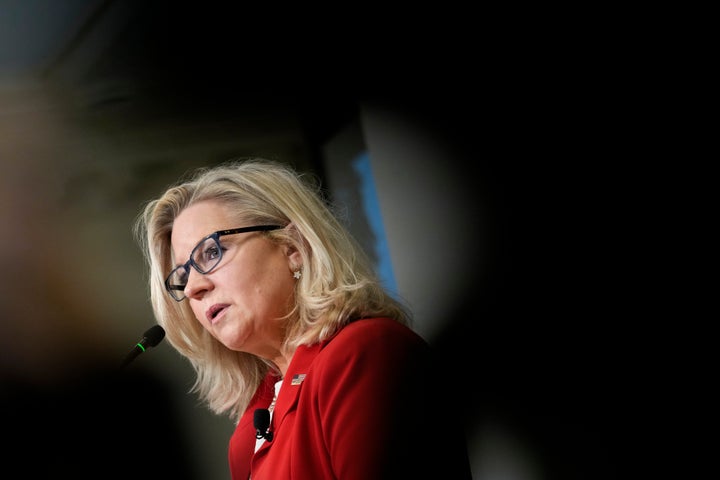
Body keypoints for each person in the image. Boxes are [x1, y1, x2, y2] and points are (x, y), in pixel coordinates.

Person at [134, 158, 472, 479]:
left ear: (293, 247)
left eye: (211, 252)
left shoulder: (366, 353)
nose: (193, 287)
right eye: (182, 274)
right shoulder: (250, 430)